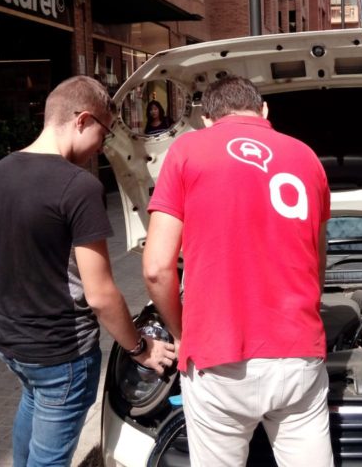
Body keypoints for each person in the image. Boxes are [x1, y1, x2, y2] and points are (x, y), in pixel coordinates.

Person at [0, 75, 176, 467]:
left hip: (9, 341)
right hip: (59, 352)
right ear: (83, 119)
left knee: (32, 406)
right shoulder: (78, 187)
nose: (103, 148)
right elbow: (100, 295)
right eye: (104, 135)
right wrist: (139, 348)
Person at [143, 76, 334, 466]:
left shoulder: (186, 151)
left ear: (206, 118)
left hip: (218, 358)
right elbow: (317, 261)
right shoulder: (307, 157)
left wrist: (183, 335)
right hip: (299, 354)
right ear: (264, 110)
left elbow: (157, 268)